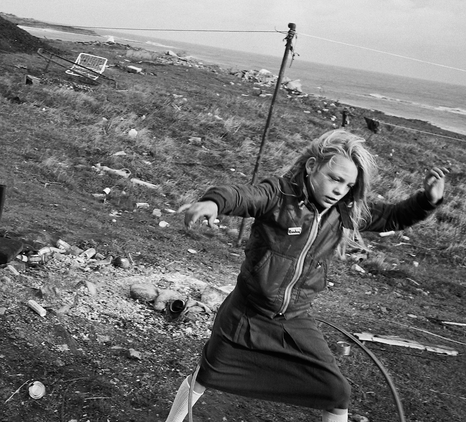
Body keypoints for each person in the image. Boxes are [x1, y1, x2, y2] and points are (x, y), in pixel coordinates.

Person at [166, 129, 447, 422]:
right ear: (313, 166)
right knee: (207, 373)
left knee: (337, 392)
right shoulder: (278, 195)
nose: (341, 189)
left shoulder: (345, 212)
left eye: (349, 184)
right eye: (335, 178)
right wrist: (213, 202)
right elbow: (243, 195)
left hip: (295, 318)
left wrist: (427, 200)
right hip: (247, 312)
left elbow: (393, 216)